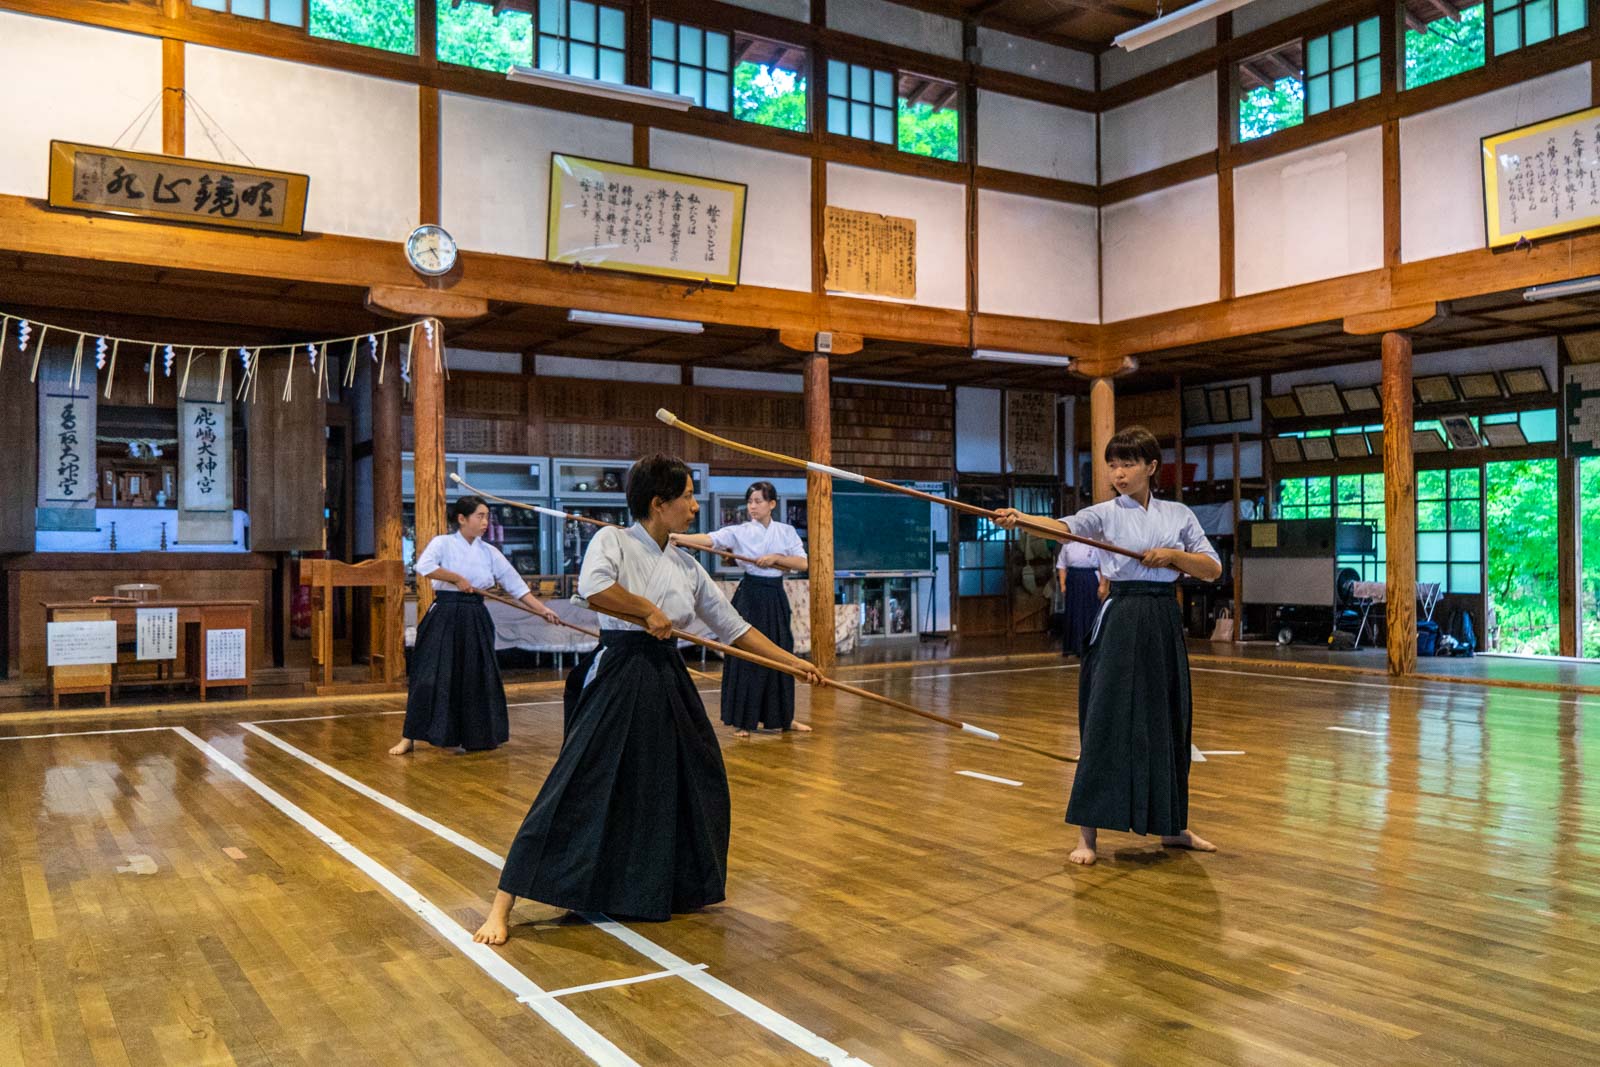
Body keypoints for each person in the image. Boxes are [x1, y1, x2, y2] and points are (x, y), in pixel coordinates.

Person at [474, 455, 821, 943]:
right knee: (579, 780)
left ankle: (658, 885)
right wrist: (646, 610)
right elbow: (593, 589)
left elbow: (734, 627)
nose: (696, 507)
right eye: (687, 497)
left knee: (691, 778)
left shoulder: (685, 564)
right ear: (659, 504)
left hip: (666, 676)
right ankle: (503, 904)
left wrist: (790, 662)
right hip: (619, 671)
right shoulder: (612, 540)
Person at [996, 426, 1222, 866]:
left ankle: (1173, 826)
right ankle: (1088, 837)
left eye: (1128, 464)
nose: (1118, 473)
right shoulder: (1102, 514)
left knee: (1169, 720)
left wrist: (1173, 556)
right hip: (1121, 616)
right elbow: (1062, 528)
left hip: (1162, 620)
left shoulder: (1178, 515)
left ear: (1151, 467)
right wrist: (1021, 519)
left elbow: (1211, 568)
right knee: (1104, 719)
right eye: (1113, 464)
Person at [390, 496, 560, 756]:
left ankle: (475, 736)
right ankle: (409, 737)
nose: (485, 522)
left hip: (475, 615)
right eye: (480, 516)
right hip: (445, 614)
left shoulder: (489, 552)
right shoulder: (443, 543)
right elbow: (424, 567)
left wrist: (543, 610)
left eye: (487, 517)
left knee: (475, 676)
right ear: (462, 519)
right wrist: (457, 578)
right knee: (428, 676)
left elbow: (516, 586)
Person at [672, 481, 810, 737]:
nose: (753, 507)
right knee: (747, 653)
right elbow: (711, 539)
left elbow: (802, 563)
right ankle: (743, 721)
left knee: (780, 652)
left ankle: (784, 717)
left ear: (772, 504)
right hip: (750, 595)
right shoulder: (741, 531)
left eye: (758, 501)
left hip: (775, 596)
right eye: (750, 502)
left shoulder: (786, 531)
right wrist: (677, 537)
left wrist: (776, 559)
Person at [1055, 537, 1102, 658]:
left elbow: (1104, 566)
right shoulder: (1068, 543)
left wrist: (1103, 585)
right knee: (1074, 613)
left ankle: (1090, 646)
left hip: (1090, 578)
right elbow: (1061, 565)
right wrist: (1062, 584)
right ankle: (1072, 647)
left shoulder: (1095, 541)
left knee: (1090, 612)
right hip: (1073, 579)